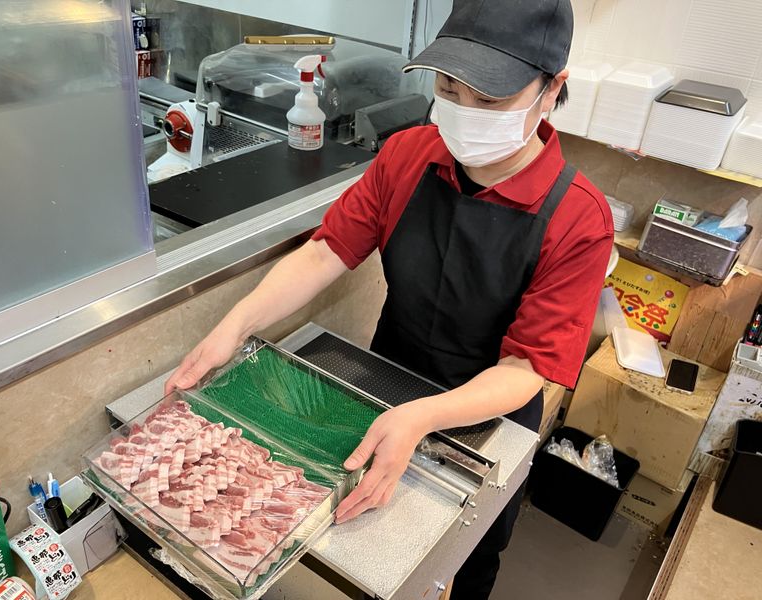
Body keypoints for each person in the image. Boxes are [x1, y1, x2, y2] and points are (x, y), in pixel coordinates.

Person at [166, 0, 613, 597]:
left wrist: (422, 417)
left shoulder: (579, 218)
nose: (463, 112)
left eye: (489, 99)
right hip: (386, 379)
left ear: (551, 89)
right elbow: (325, 254)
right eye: (449, 89)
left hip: (492, 412)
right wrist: (236, 324)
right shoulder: (408, 155)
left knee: (467, 556)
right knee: (364, 551)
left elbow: (526, 367)